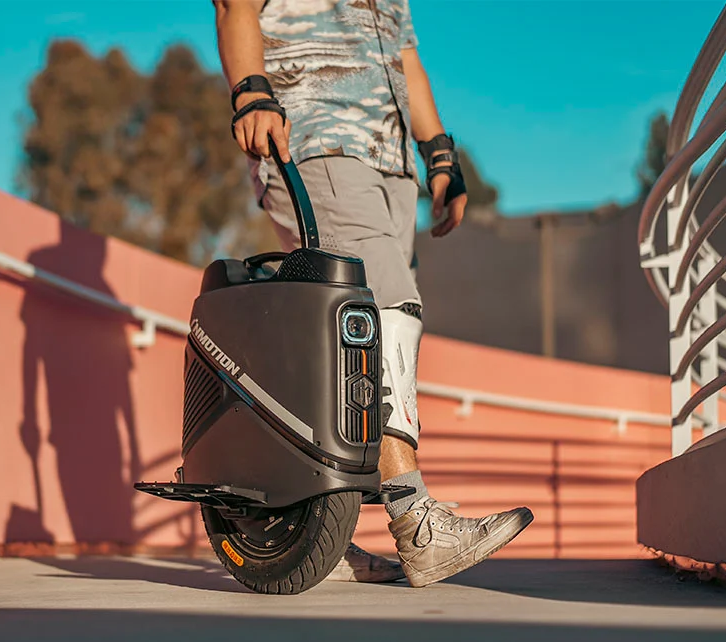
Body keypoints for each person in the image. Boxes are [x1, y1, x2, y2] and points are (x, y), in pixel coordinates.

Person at [213, 0, 533, 588]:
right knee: (385, 310)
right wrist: (250, 92)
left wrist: (439, 151)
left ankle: (320, 535)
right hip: (314, 137)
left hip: (392, 164)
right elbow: (235, 6)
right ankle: (416, 522)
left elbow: (405, 56)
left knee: (358, 338)